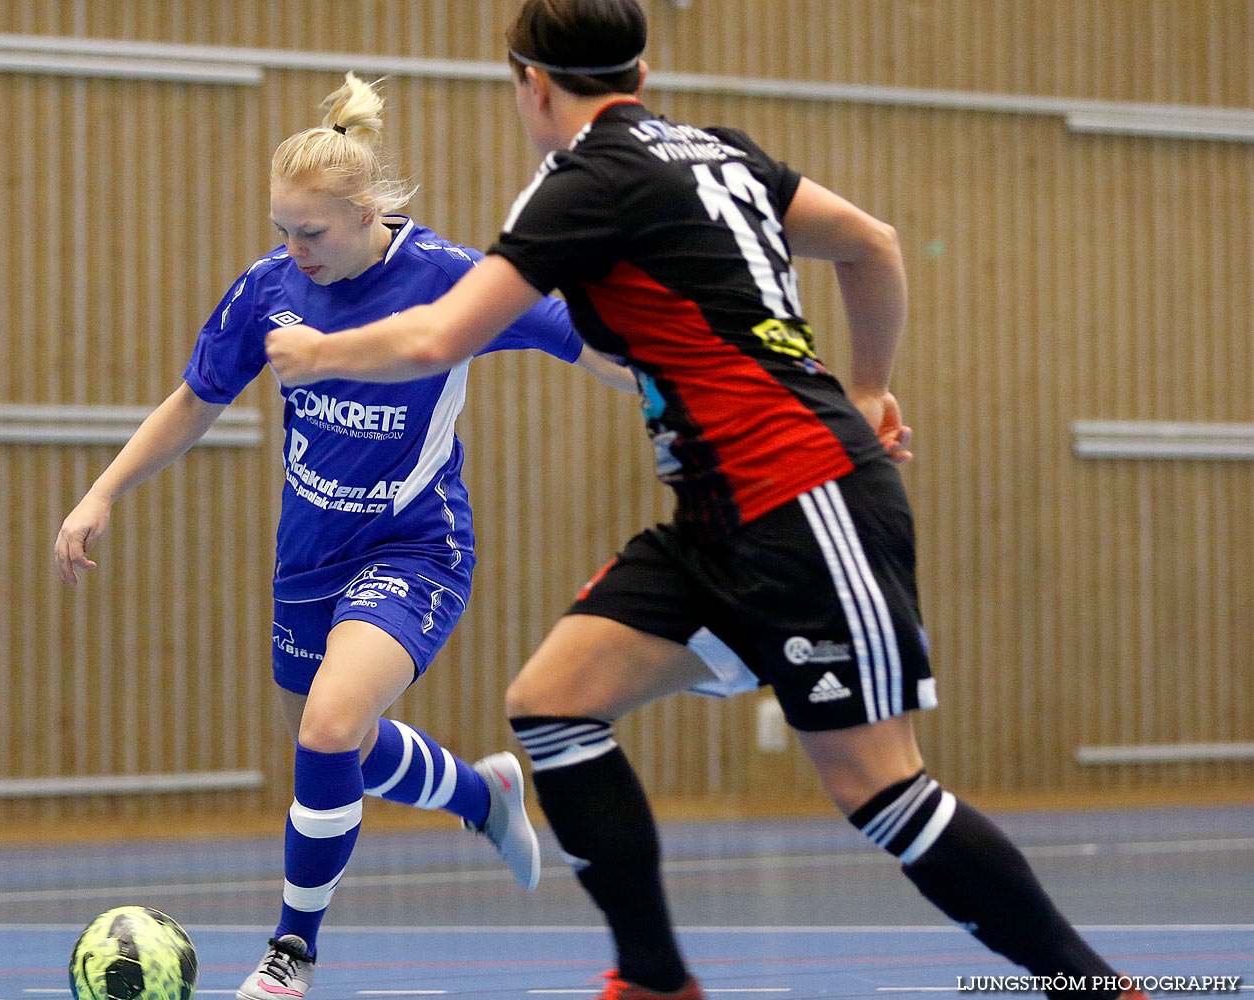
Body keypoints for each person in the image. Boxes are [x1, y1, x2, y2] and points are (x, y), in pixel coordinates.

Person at [261, 4, 1149, 1000]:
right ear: (636, 69)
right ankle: (654, 979)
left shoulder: (582, 183)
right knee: (552, 704)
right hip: (716, 513)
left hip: (803, 496)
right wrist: (867, 386)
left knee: (879, 786)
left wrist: (315, 352)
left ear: (533, 84)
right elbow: (871, 244)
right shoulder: (718, 153)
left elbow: (434, 338)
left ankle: (1095, 987)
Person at [53, 73, 633, 1000]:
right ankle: (483, 797)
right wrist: (103, 491)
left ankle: (291, 954)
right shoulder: (271, 287)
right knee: (340, 751)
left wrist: (680, 387)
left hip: (414, 549)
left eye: (311, 231)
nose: (294, 248)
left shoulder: (451, 280)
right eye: (283, 227)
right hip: (306, 557)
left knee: (329, 727)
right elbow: (196, 400)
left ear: (366, 214)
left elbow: (586, 342)